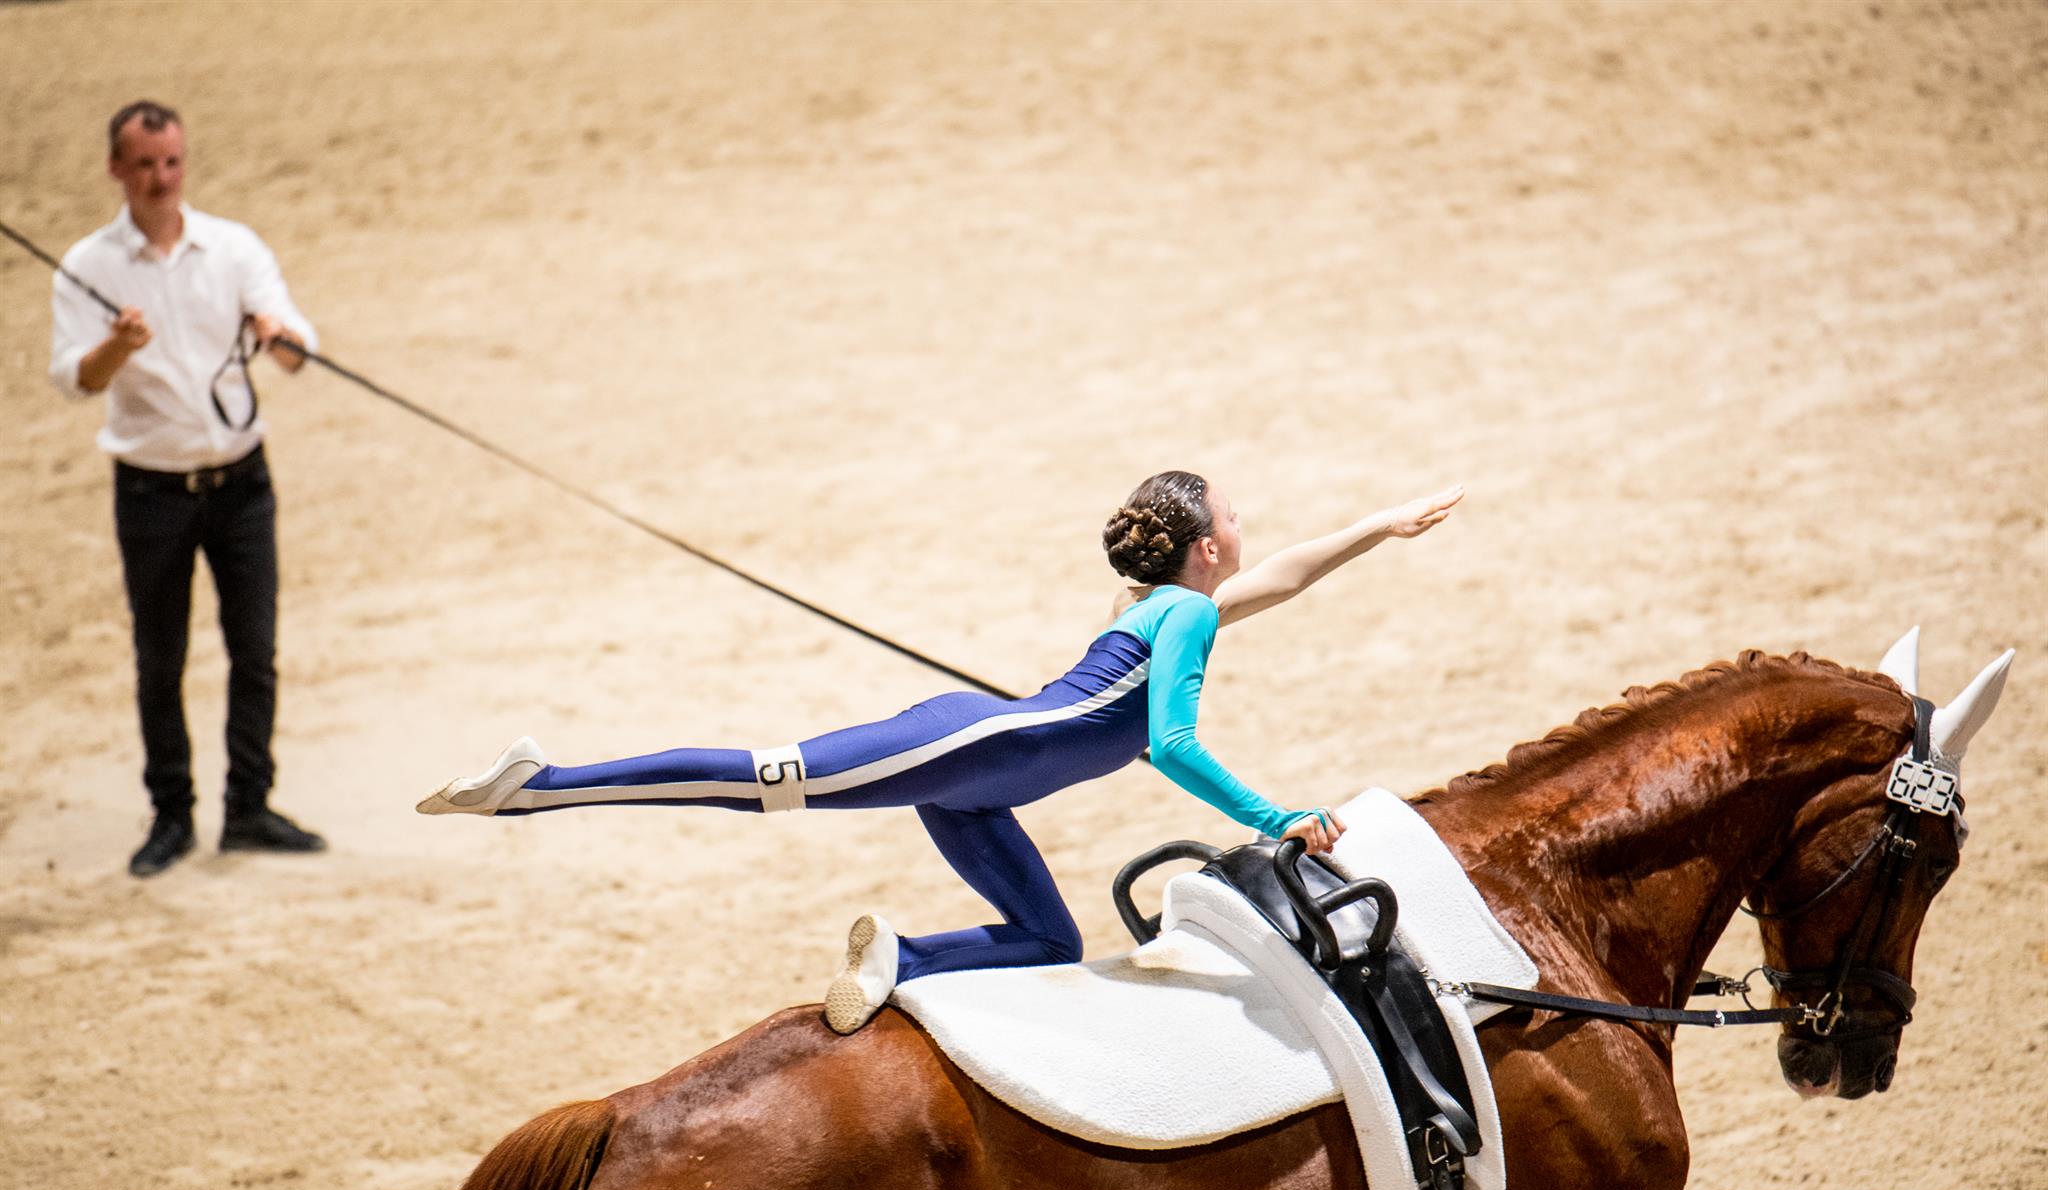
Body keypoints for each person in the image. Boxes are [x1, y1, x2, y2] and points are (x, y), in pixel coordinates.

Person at [420, 473, 1462, 1032]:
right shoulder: (1180, 617)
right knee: (757, 782)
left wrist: (1378, 525)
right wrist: (1277, 818)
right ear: (1200, 549)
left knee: (1049, 941)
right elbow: (1170, 744)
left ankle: (898, 961)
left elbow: (1277, 580)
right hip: (965, 751)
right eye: (1234, 518)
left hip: (979, 779)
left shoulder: (1166, 605)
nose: (1243, 531)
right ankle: (539, 786)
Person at [48, 100, 327, 877]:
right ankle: (172, 815)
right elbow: (75, 380)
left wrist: (280, 339)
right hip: (152, 491)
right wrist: (116, 346)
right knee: (160, 657)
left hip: (242, 483)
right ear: (116, 169)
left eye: (170, 162)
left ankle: (248, 808)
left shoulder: (233, 249)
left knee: (255, 651)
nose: (159, 178)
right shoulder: (87, 264)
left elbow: (302, 348)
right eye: (143, 164)